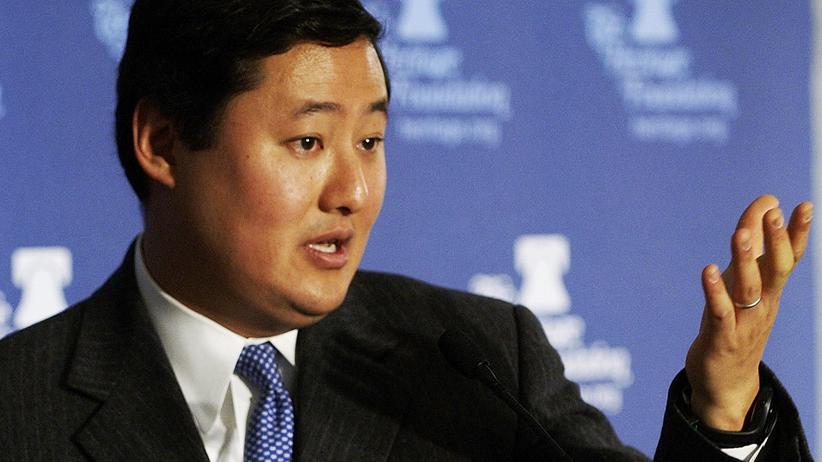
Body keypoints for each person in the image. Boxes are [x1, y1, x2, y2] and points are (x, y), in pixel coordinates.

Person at [0, 1, 813, 460]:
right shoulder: (17, 408)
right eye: (308, 142)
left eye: (371, 141)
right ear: (163, 142)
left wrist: (724, 404)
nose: (353, 191)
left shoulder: (477, 362)